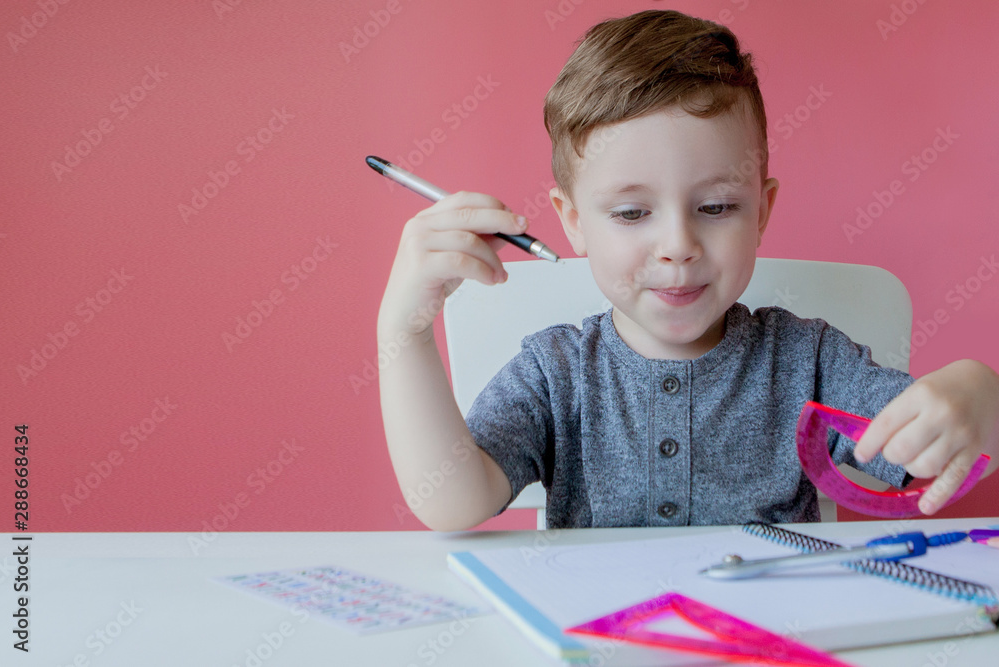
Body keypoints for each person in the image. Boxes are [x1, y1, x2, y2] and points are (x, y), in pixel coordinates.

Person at [376, 9, 999, 531]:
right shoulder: (554, 372)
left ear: (761, 211)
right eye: (631, 213)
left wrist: (983, 397)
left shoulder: (807, 362)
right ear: (573, 222)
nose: (678, 246)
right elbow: (452, 503)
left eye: (717, 207)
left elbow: (937, 462)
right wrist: (404, 335)